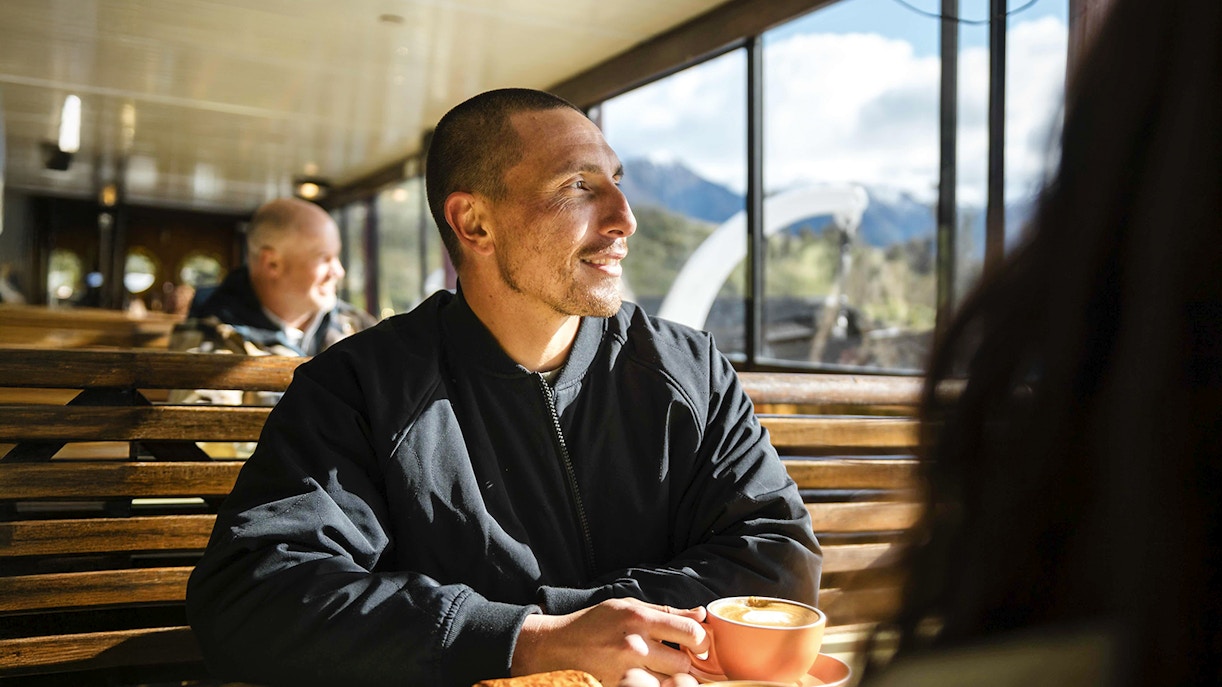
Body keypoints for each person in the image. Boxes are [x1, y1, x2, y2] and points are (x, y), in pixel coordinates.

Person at [185, 88, 822, 687]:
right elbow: (254, 594)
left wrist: (571, 627)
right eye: (578, 186)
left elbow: (779, 560)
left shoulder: (689, 369)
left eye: (618, 184)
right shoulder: (359, 388)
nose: (625, 218)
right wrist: (532, 640)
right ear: (475, 224)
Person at [168, 196, 376, 405]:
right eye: (324, 257)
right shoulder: (213, 337)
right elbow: (204, 433)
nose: (339, 271)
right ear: (272, 263)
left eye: (337, 256)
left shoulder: (358, 325)